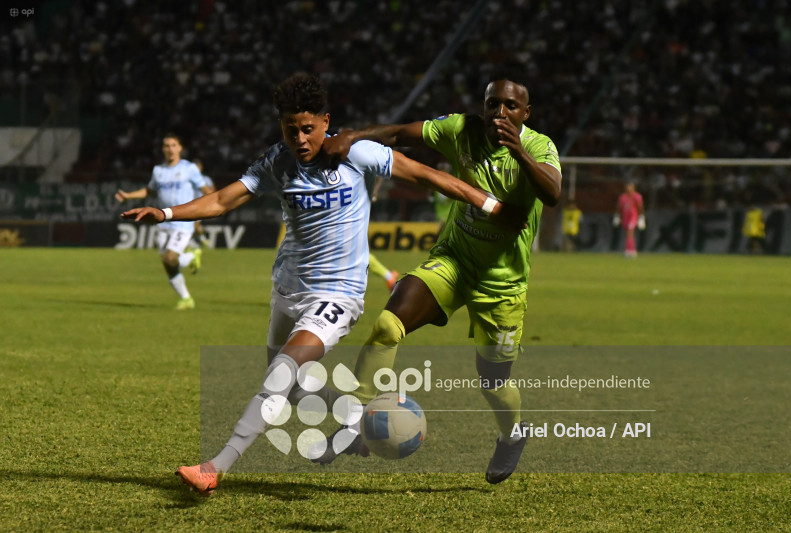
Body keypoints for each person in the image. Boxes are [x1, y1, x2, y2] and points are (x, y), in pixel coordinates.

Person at [120, 73, 523, 495]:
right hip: (288, 289)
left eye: (308, 128)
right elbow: (222, 200)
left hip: (338, 296)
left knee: (279, 376)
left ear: (326, 121)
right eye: (290, 129)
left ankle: (215, 467)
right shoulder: (277, 161)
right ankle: (357, 415)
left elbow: (426, 175)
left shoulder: (356, 154)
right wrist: (165, 214)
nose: (300, 138)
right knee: (291, 389)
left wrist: (491, 204)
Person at [319, 72, 562, 484]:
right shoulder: (461, 130)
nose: (499, 112)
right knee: (386, 324)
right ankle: (352, 419)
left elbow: (553, 192)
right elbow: (397, 133)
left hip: (501, 285)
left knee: (493, 384)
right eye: (492, 103)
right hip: (453, 260)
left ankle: (513, 432)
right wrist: (351, 137)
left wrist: (518, 150)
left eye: (510, 106)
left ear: (526, 113)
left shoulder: (539, 147)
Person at [116, 134, 212, 310]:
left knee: (170, 258)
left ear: (180, 148)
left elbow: (206, 190)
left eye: (173, 145)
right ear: (163, 149)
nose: (170, 149)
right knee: (168, 263)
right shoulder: (158, 171)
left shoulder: (189, 168)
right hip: (163, 221)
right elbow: (149, 191)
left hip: (183, 221)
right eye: (166, 146)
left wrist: (213, 206)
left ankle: (190, 262)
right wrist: (128, 195)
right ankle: (186, 296)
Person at [613, 181, 645, 258]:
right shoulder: (622, 197)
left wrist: (641, 218)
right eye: (627, 187)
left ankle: (631, 250)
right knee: (627, 233)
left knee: (630, 233)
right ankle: (629, 249)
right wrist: (617, 216)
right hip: (625, 216)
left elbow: (640, 207)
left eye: (630, 187)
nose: (629, 188)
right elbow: (619, 207)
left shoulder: (637, 197)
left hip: (633, 216)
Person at [190, 158, 217, 249]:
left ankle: (202, 240)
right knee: (192, 224)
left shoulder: (206, 179)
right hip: (188, 204)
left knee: (194, 223)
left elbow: (212, 191)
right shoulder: (187, 179)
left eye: (198, 167)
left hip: (200, 204)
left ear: (201, 168)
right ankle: (199, 241)